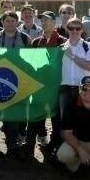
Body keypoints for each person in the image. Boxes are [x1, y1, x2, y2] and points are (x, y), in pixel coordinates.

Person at [0, 11, 32, 154]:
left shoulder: (25, 38)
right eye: (7, 21)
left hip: (16, 82)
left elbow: (29, 60)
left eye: (13, 21)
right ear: (2, 22)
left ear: (17, 22)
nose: (10, 23)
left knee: (12, 115)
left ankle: (12, 145)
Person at [54, 18, 90, 149]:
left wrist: (71, 55)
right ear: (67, 29)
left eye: (77, 28)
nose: (74, 31)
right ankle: (64, 150)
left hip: (84, 90)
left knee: (84, 120)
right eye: (71, 28)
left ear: (82, 30)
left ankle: (84, 149)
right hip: (65, 89)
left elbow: (89, 66)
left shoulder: (89, 46)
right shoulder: (60, 48)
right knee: (64, 122)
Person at [27, 11, 67, 155]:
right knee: (35, 117)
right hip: (39, 86)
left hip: (56, 87)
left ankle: (55, 148)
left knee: (56, 120)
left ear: (54, 23)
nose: (44, 23)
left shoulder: (63, 41)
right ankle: (29, 147)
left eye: (47, 20)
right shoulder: (36, 42)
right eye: (42, 20)